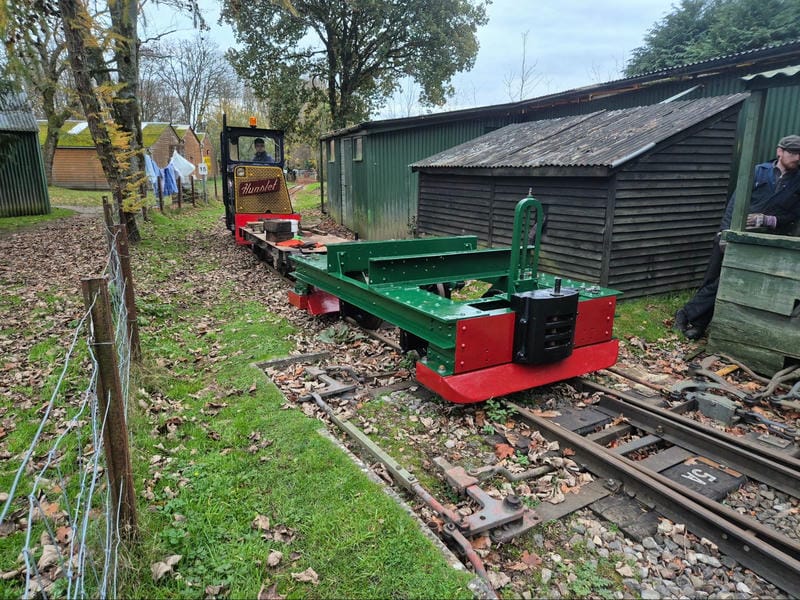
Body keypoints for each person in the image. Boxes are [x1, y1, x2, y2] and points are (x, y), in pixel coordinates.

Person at [675, 134, 800, 340]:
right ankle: (698, 325)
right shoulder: (758, 172)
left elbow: (794, 215)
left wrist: (769, 220)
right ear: (780, 151)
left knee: (728, 281)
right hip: (733, 234)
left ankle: (687, 314)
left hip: (759, 243)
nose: (797, 157)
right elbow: (734, 205)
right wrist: (725, 234)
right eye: (794, 152)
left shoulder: (797, 182)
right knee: (712, 279)